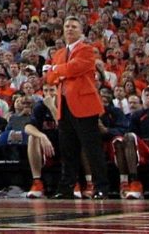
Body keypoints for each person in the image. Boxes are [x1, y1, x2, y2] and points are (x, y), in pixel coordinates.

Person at [43, 15, 107, 199]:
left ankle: (101, 186)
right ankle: (67, 187)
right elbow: (50, 79)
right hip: (64, 106)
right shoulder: (59, 53)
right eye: (67, 26)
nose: (69, 29)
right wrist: (60, 71)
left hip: (84, 105)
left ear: (81, 31)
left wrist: (58, 70)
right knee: (68, 149)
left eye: (74, 26)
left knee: (92, 149)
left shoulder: (87, 49)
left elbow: (73, 68)